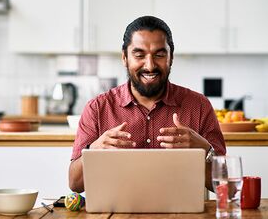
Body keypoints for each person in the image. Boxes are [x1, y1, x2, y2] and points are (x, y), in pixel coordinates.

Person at [68, 16, 226, 193]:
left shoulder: (198, 106)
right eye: (139, 55)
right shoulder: (97, 108)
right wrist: (93, 150)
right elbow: (75, 184)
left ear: (171, 57)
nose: (150, 66)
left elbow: (223, 186)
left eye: (159, 55)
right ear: (125, 57)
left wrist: (205, 149)